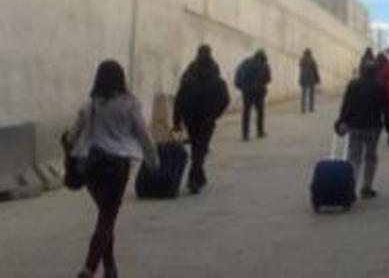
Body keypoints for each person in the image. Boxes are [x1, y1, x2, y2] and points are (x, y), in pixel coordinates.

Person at [68, 60, 159, 278]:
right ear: (121, 78)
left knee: (105, 217)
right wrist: (153, 161)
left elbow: (72, 137)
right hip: (117, 168)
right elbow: (143, 135)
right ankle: (88, 269)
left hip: (91, 167)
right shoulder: (130, 104)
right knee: (107, 219)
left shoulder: (89, 105)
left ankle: (110, 268)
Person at [173, 45, 230, 194]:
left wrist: (177, 121)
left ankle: (199, 176)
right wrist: (216, 113)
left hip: (190, 118)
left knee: (196, 147)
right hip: (207, 119)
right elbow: (225, 99)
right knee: (201, 148)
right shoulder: (216, 76)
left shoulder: (189, 75)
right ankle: (194, 178)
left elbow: (179, 100)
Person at [334, 63, 388, 199]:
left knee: (354, 157)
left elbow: (346, 105)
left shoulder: (353, 85)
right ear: (376, 72)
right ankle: (366, 187)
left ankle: (350, 188)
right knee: (370, 156)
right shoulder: (380, 87)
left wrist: (341, 121)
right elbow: (384, 107)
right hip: (373, 127)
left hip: (355, 126)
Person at [235, 49, 272, 140]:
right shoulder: (264, 65)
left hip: (247, 92)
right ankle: (260, 131)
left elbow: (238, 74)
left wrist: (242, 87)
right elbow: (268, 79)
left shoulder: (246, 62)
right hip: (259, 92)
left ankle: (245, 134)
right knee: (260, 112)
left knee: (246, 112)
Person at [298, 49, 320, 114]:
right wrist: (317, 79)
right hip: (311, 79)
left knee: (303, 95)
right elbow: (315, 70)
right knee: (311, 95)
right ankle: (311, 108)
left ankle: (303, 109)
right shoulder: (312, 60)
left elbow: (301, 69)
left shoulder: (301, 61)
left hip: (303, 79)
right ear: (310, 54)